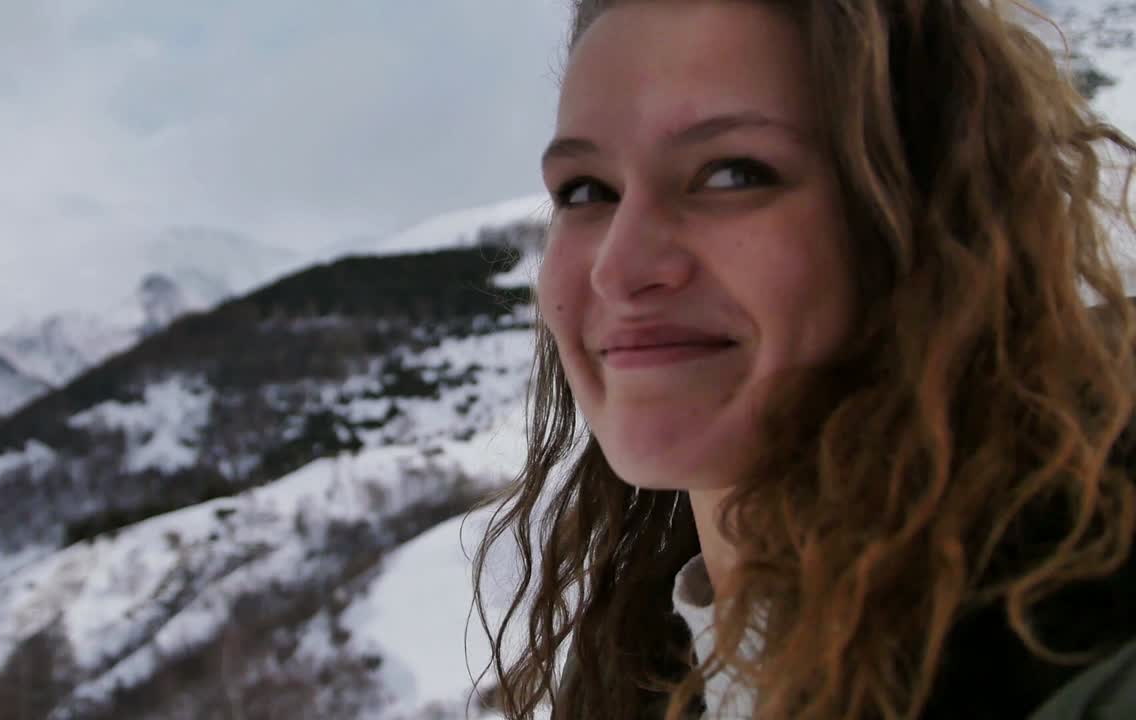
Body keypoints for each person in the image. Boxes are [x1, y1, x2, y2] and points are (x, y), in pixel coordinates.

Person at [471, 0, 1136, 718]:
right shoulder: (640, 670)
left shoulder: (1085, 659)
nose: (618, 267)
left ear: (925, 221)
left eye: (731, 174)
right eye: (585, 190)